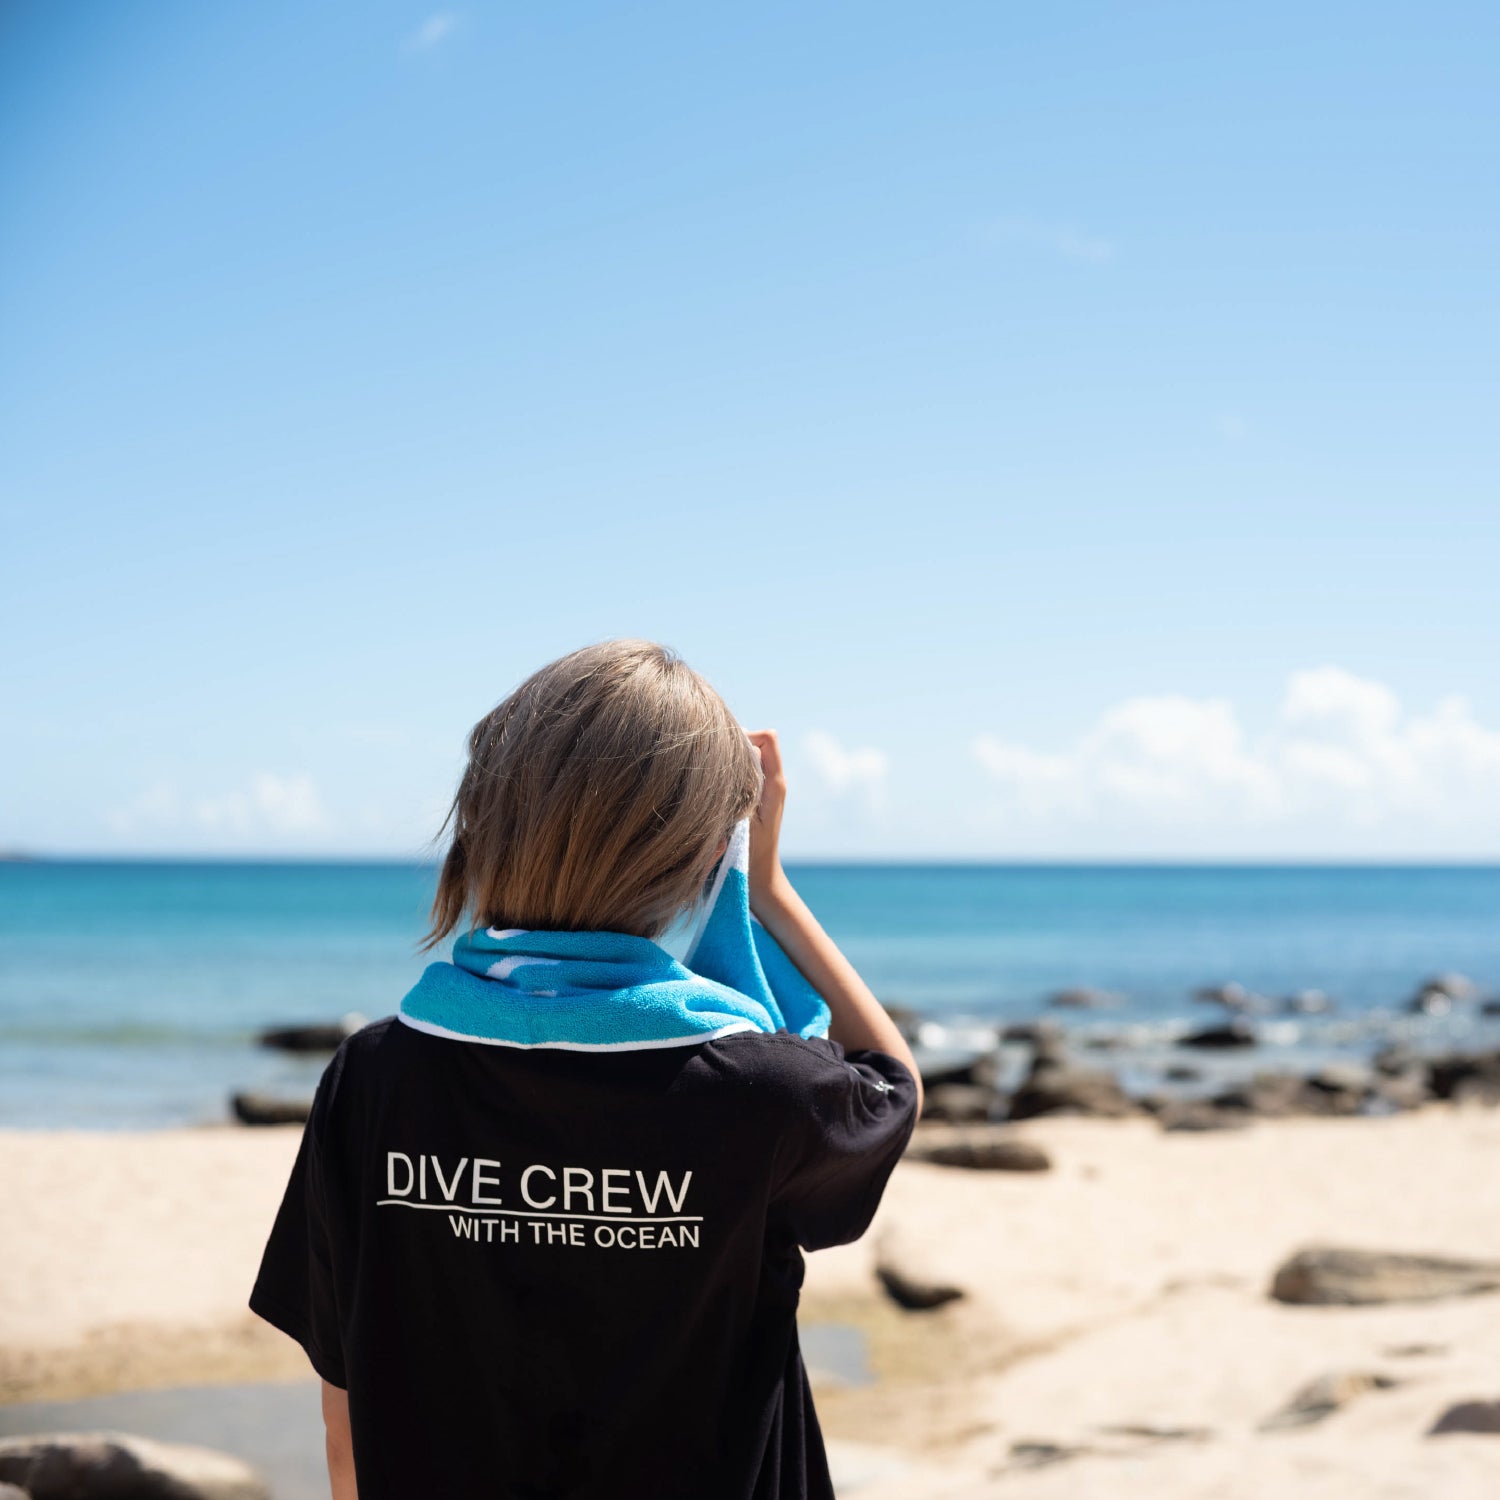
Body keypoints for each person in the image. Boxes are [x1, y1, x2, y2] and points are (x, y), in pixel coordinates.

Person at [249, 639, 923, 1499]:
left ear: (487, 821)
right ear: (708, 853)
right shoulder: (764, 1092)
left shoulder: (373, 1076)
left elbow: (344, 1417)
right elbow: (891, 1082)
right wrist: (770, 888)